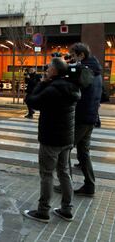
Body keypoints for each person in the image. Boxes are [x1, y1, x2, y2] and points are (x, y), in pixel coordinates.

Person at [22, 58, 81, 223]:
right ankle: (66, 210)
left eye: (48, 68)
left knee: (47, 174)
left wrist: (42, 83)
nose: (46, 70)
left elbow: (32, 101)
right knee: (64, 172)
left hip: (51, 139)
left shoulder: (53, 89)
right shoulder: (72, 86)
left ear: (54, 71)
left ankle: (43, 211)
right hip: (67, 138)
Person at [55, 43, 102, 196]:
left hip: (82, 117)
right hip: (91, 116)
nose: (72, 59)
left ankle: (65, 185)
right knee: (83, 153)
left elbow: (76, 90)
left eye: (74, 56)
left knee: (65, 149)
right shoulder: (96, 70)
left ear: (81, 55)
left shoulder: (85, 71)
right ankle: (89, 186)